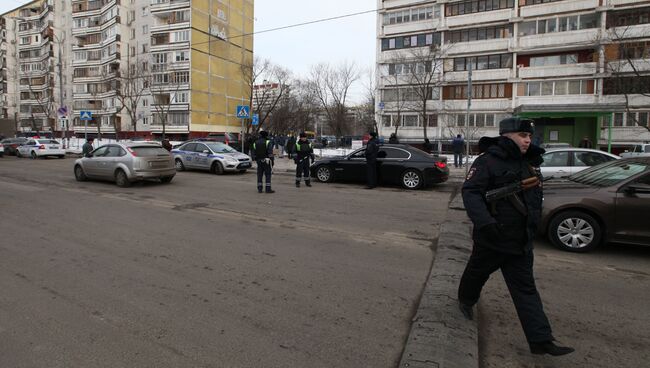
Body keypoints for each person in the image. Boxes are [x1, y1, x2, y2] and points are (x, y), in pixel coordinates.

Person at [458, 117, 574, 357]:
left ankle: (541, 340)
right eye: (523, 135)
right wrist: (486, 223)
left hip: (521, 242)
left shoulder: (529, 161)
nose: (528, 140)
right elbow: (471, 193)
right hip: (492, 238)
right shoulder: (487, 161)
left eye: (529, 136)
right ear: (507, 135)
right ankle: (465, 301)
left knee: (526, 290)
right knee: (476, 274)